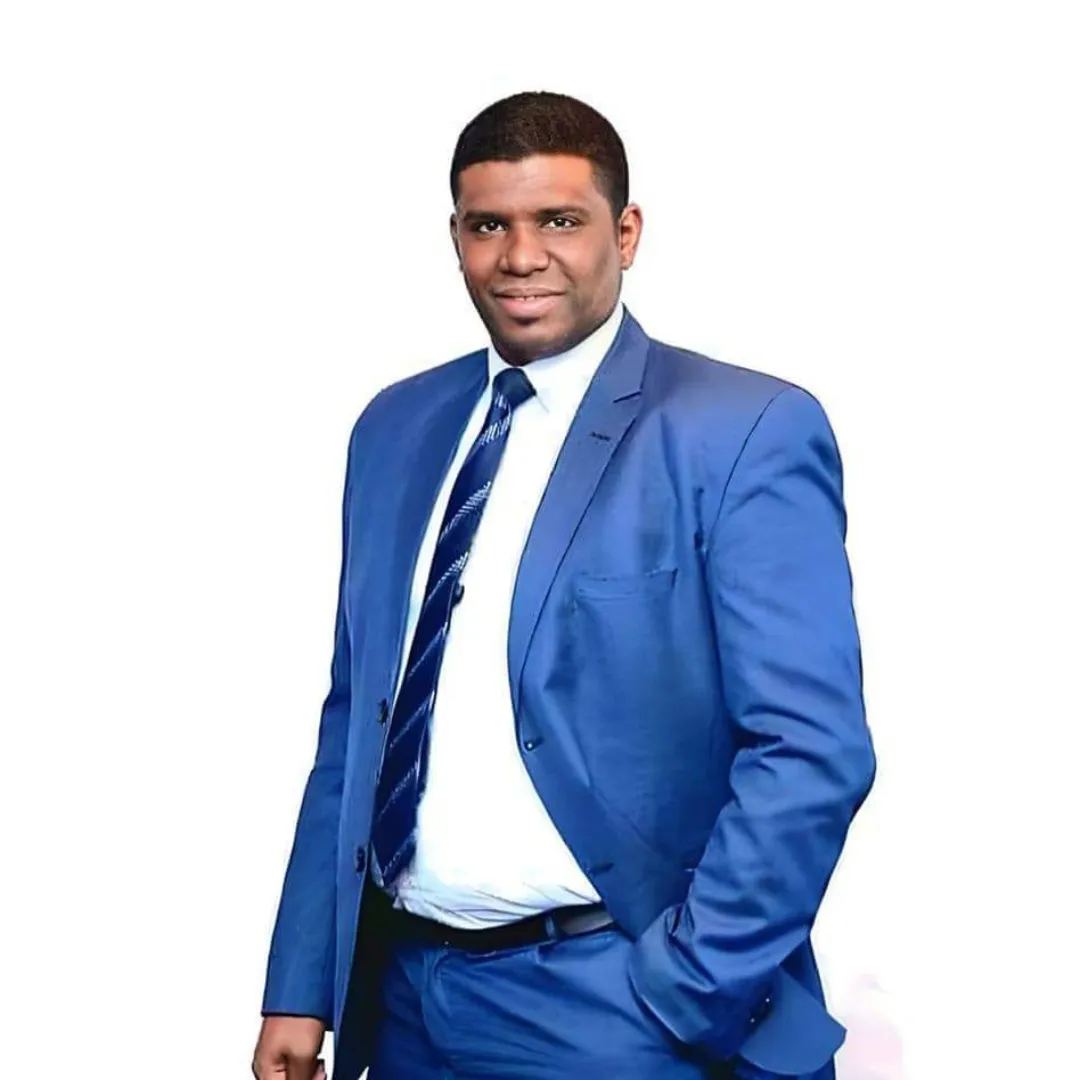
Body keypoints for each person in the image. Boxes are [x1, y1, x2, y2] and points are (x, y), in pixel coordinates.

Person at [252, 90, 875, 1080]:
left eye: (559, 221)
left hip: (613, 1006)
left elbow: (810, 750)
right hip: (404, 1001)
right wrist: (303, 982)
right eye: (488, 225)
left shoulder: (739, 431)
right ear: (455, 236)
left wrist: (692, 986)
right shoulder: (394, 429)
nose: (521, 256)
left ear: (625, 234)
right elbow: (355, 721)